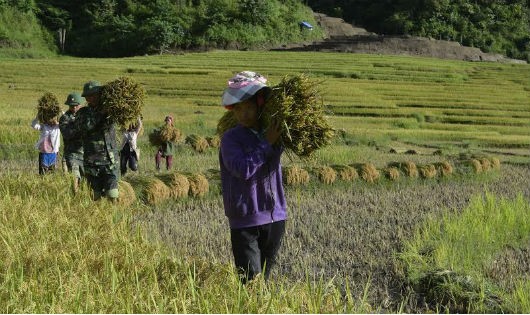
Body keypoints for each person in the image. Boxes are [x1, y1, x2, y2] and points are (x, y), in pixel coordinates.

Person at [219, 71, 287, 283]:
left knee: (264, 281)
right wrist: (266, 143)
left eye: (248, 107)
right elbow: (243, 169)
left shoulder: (272, 131)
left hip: (275, 216)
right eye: (239, 109)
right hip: (245, 219)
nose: (244, 114)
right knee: (250, 283)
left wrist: (276, 139)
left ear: (259, 105)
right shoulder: (230, 139)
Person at [72, 80, 120, 202]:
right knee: (95, 197)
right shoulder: (82, 113)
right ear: (86, 98)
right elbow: (85, 127)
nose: (92, 98)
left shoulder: (110, 111)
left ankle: (112, 218)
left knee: (112, 194)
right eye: (89, 96)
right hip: (92, 162)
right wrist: (100, 114)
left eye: (95, 94)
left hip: (110, 161)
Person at [59, 92, 85, 192]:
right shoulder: (64, 118)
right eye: (72, 105)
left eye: (76, 105)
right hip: (72, 153)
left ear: (80, 105)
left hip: (85, 153)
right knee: (75, 177)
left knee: (85, 179)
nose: (74, 108)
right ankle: (75, 196)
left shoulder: (85, 116)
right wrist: (80, 127)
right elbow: (67, 134)